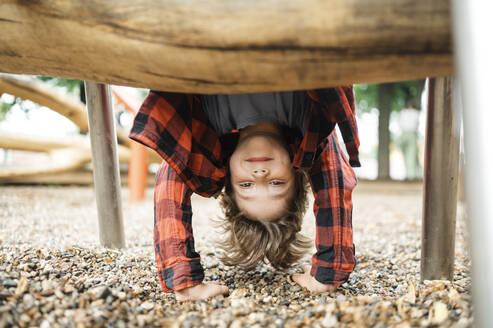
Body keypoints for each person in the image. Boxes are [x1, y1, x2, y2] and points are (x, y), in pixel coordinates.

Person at [129, 87, 360, 301]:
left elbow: (172, 176)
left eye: (246, 185)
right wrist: (329, 271)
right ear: (295, 168)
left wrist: (184, 280)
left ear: (228, 175)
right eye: (276, 183)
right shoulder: (310, 127)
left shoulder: (204, 130)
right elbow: (334, 176)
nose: (260, 174)